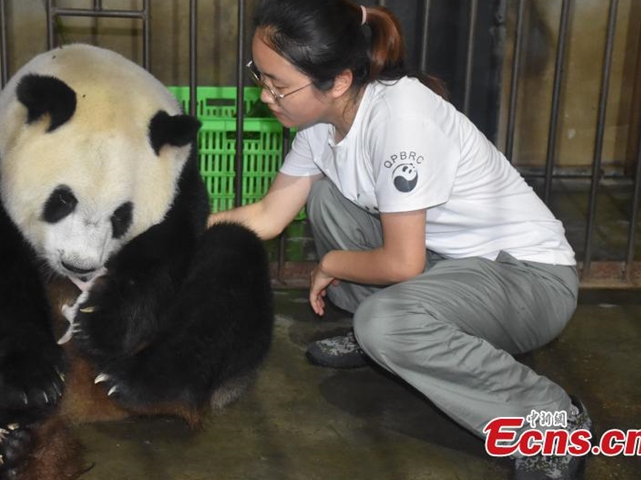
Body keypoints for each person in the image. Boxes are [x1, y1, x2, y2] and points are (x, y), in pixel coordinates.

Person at [209, 1, 591, 478]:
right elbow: (268, 216)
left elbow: (403, 263)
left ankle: (550, 419)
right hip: (453, 264)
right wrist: (171, 234)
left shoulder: (401, 122)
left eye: (279, 85)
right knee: (327, 196)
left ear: (339, 81)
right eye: (260, 76)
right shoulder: (321, 123)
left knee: (385, 323)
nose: (266, 96)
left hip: (529, 279)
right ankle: (393, 335)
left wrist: (333, 265)